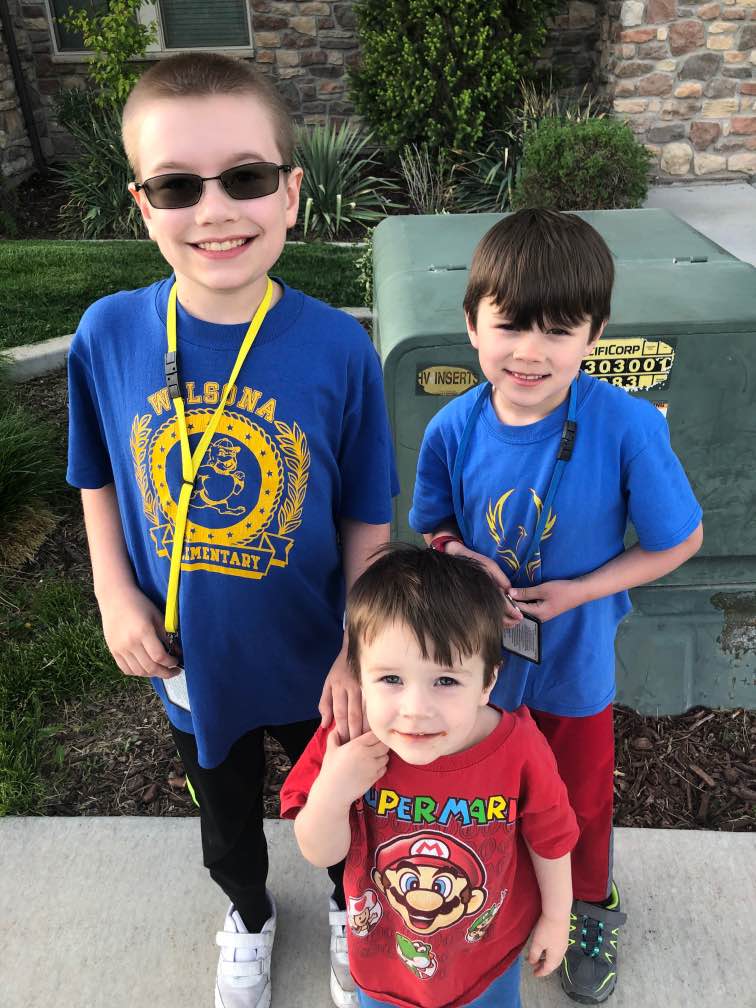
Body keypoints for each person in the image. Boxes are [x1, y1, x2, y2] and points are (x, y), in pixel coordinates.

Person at [66, 52, 397, 1008]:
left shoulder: (338, 347)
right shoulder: (108, 334)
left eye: (245, 178)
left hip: (316, 657)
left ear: (291, 194)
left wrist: (356, 652)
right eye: (178, 185)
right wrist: (112, 592)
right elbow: (94, 475)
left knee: (344, 808)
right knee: (225, 823)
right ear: (143, 205)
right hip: (190, 660)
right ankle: (249, 914)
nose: (214, 210)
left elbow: (365, 520)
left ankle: (349, 905)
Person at [408, 208, 704, 1004]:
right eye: (509, 326)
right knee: (488, 785)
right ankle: (509, 889)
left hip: (574, 669)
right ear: (472, 325)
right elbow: (430, 526)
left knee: (579, 799)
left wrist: (583, 589)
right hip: (480, 673)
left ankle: (591, 906)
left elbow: (680, 539)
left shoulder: (629, 424)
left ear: (595, 333)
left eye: (559, 330)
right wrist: (459, 555)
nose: (531, 352)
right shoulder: (452, 426)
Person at [281, 544, 580, 1008]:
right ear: (358, 675)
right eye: (390, 680)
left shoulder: (518, 748)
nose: (415, 710)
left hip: (487, 958)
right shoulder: (348, 740)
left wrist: (557, 918)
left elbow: (551, 838)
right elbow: (321, 851)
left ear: (487, 682)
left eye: (445, 681)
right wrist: (333, 792)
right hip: (384, 963)